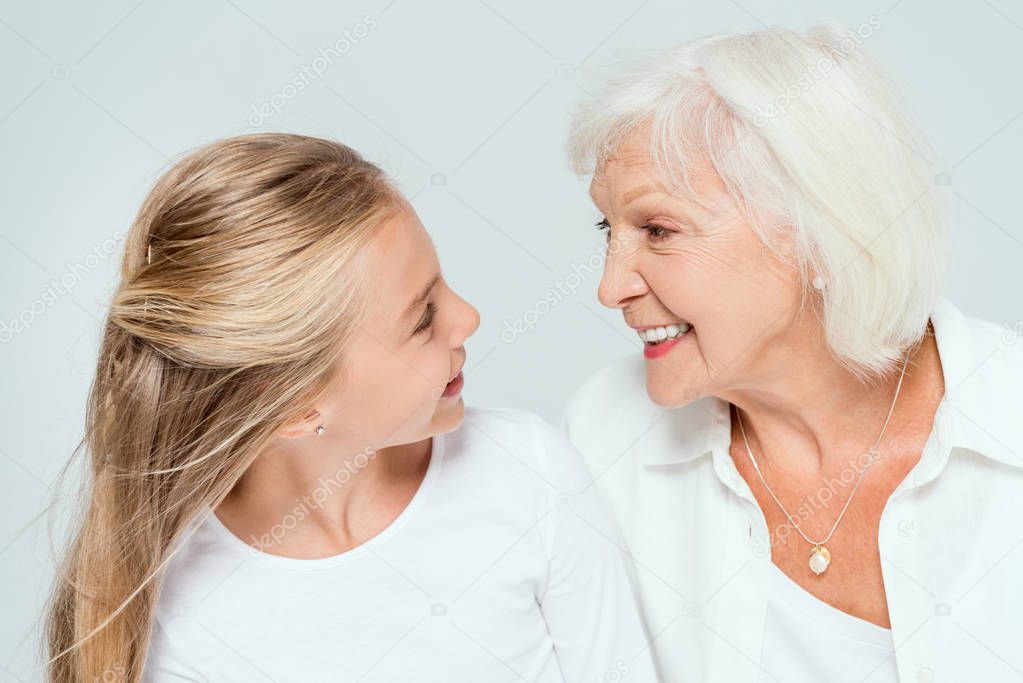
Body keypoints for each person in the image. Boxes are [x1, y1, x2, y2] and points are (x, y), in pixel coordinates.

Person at [45, 133, 656, 683]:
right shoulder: (178, 617)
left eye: (441, 282)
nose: (468, 316)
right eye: (422, 318)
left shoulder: (529, 472)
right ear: (294, 410)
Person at [562, 23, 1023, 682]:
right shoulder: (606, 436)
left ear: (818, 229)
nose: (611, 287)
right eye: (610, 229)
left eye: (658, 230)